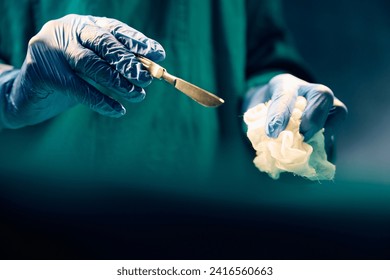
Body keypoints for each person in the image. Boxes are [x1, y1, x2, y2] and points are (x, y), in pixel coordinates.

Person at [0, 0, 347, 189]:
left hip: (203, 212)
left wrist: (273, 99)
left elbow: (260, 51)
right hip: (49, 214)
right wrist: (13, 95)